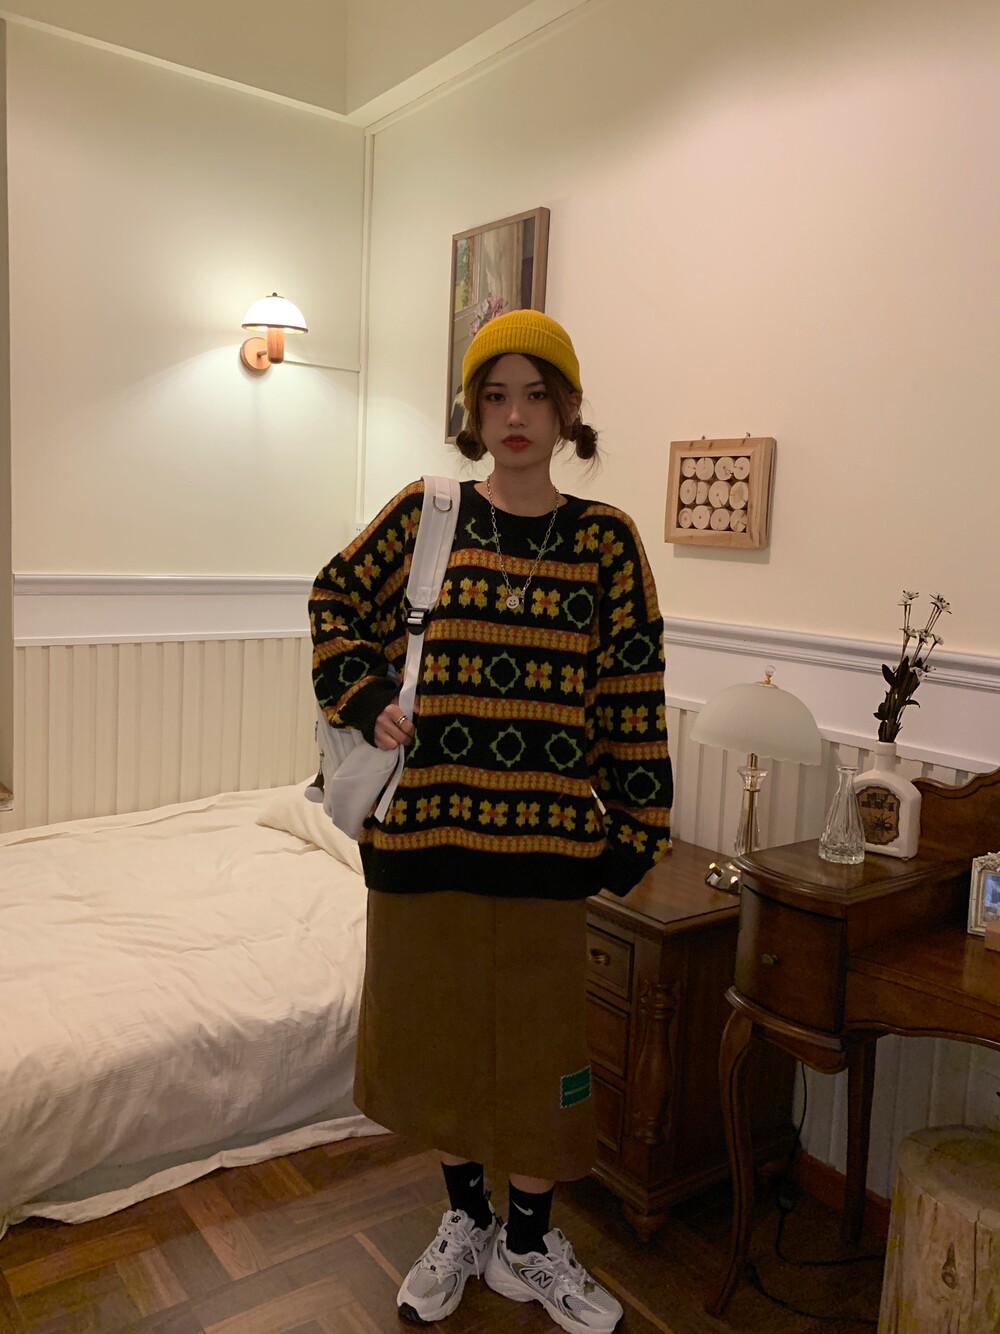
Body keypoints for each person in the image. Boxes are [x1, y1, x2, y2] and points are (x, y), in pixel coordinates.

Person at [309, 309, 673, 1332]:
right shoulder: (426, 513)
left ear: (567, 409)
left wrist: (636, 829)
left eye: (536, 394)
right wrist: (364, 692)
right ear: (473, 413)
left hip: (547, 856)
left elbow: (631, 691)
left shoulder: (606, 541)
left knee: (544, 1064)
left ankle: (528, 1241)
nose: (515, 415)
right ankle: (466, 1220)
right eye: (495, 395)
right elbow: (334, 599)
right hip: (423, 844)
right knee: (439, 1050)